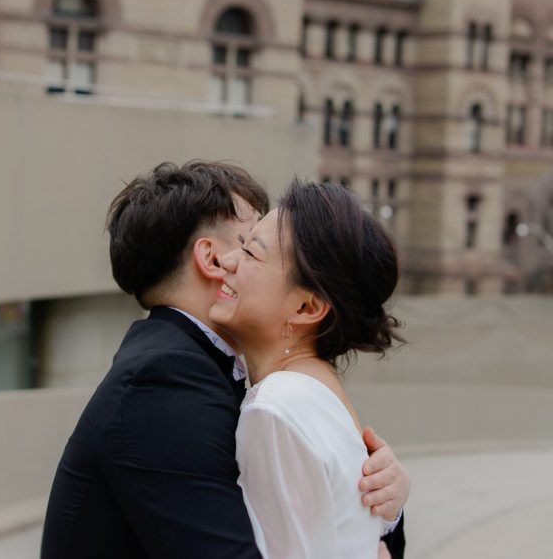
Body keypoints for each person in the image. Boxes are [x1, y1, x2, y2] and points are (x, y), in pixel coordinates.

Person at [41, 161, 408, 558]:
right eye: (249, 242)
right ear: (214, 260)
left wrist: (379, 504)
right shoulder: (163, 382)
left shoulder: (213, 374)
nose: (239, 261)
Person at [212, 179, 405, 558]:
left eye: (251, 253)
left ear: (306, 308)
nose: (228, 260)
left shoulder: (276, 408)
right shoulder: (317, 395)